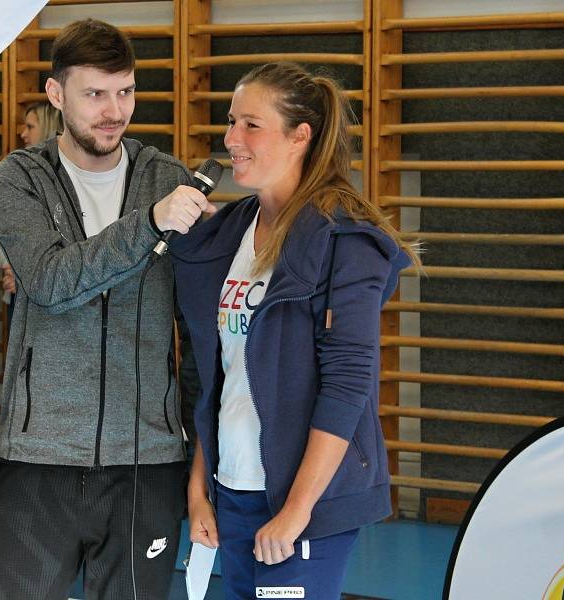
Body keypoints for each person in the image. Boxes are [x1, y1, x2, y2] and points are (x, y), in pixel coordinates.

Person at [169, 62, 420, 599]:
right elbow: (218, 374)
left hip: (305, 503)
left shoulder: (345, 241)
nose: (231, 138)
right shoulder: (230, 233)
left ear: (299, 136)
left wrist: (297, 510)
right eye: (232, 122)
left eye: (250, 125)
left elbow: (348, 384)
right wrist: (200, 487)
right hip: (231, 490)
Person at [0, 18, 211, 599]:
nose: (114, 110)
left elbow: (199, 329)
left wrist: (191, 449)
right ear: (57, 95)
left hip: (146, 464)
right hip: (39, 459)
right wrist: (150, 224)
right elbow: (52, 283)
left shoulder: (167, 176)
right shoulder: (22, 177)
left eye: (126, 91)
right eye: (95, 94)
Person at [0, 102, 63, 331]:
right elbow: (6, 230)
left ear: (47, 127)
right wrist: (11, 269)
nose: (23, 134)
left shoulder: (63, 177)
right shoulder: (16, 172)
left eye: (30, 127)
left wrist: (23, 273)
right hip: (18, 288)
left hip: (53, 291)